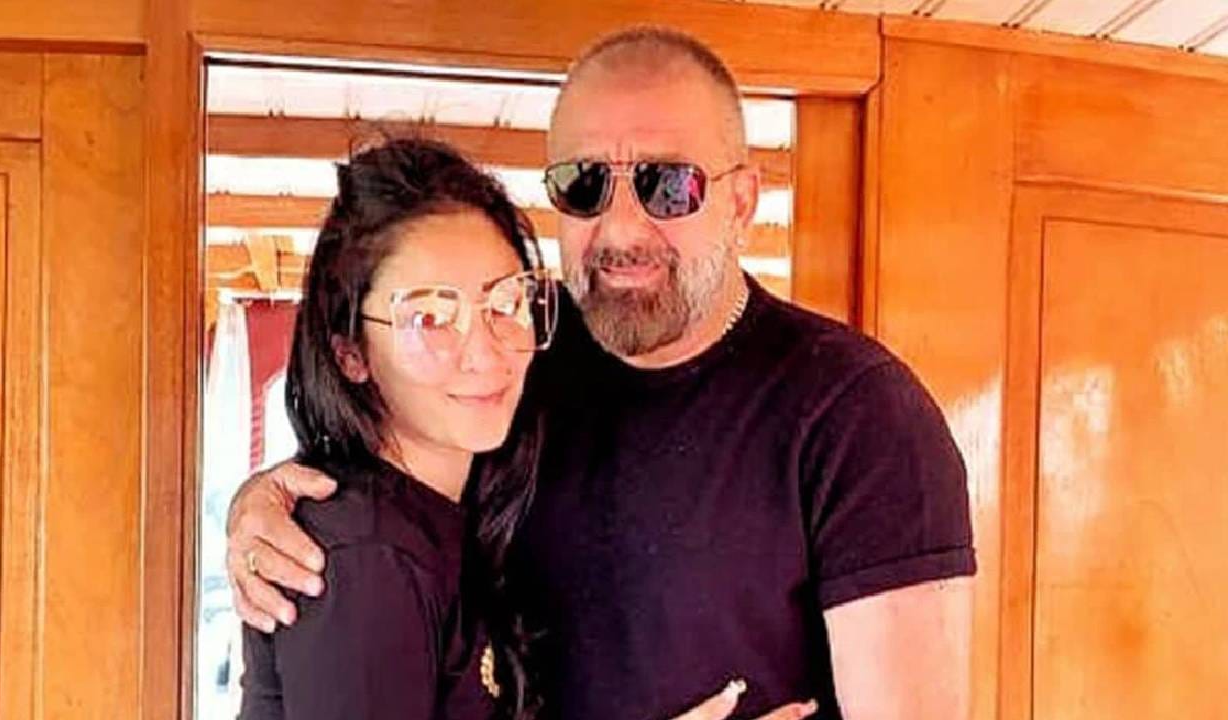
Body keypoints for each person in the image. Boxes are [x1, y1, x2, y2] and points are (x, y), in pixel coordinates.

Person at [226, 27, 976, 720]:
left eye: (667, 185)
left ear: (742, 201)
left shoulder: (857, 415)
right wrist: (265, 507)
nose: (621, 227)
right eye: (585, 183)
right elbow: (373, 491)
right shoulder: (517, 361)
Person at [237, 137, 558, 720]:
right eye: (430, 317)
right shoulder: (366, 556)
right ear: (351, 353)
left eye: (506, 303)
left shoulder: (447, 518)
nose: (484, 353)